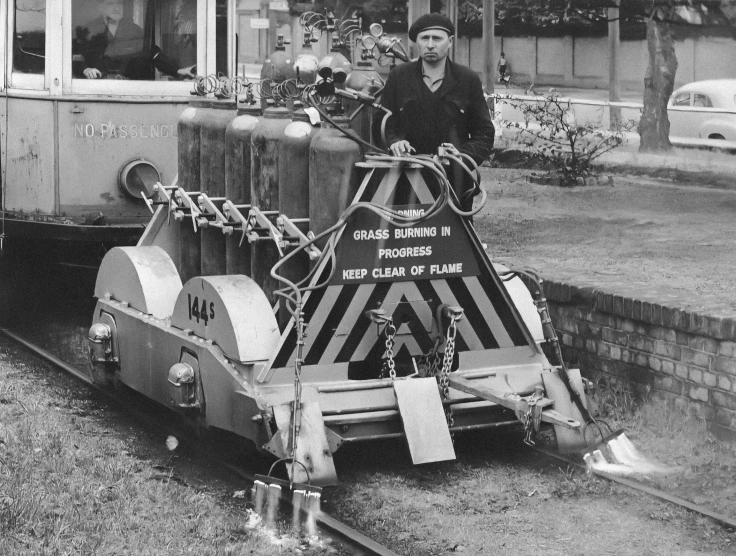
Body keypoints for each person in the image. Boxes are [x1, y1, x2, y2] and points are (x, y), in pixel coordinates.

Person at [373, 13, 495, 210]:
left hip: (454, 182)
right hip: (405, 181)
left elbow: (485, 133)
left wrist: (461, 156)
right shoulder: (398, 77)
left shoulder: (467, 79)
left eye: (437, 38)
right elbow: (381, 123)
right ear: (416, 43)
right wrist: (394, 143)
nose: (430, 45)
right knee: (406, 237)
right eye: (424, 38)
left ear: (450, 42)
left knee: (453, 237)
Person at [78, 0, 195, 80]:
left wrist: (178, 71)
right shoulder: (91, 30)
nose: (116, 7)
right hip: (95, 88)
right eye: (111, 3)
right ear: (101, 7)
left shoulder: (133, 29)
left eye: (119, 3)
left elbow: (153, 53)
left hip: (128, 87)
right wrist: (86, 69)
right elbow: (76, 56)